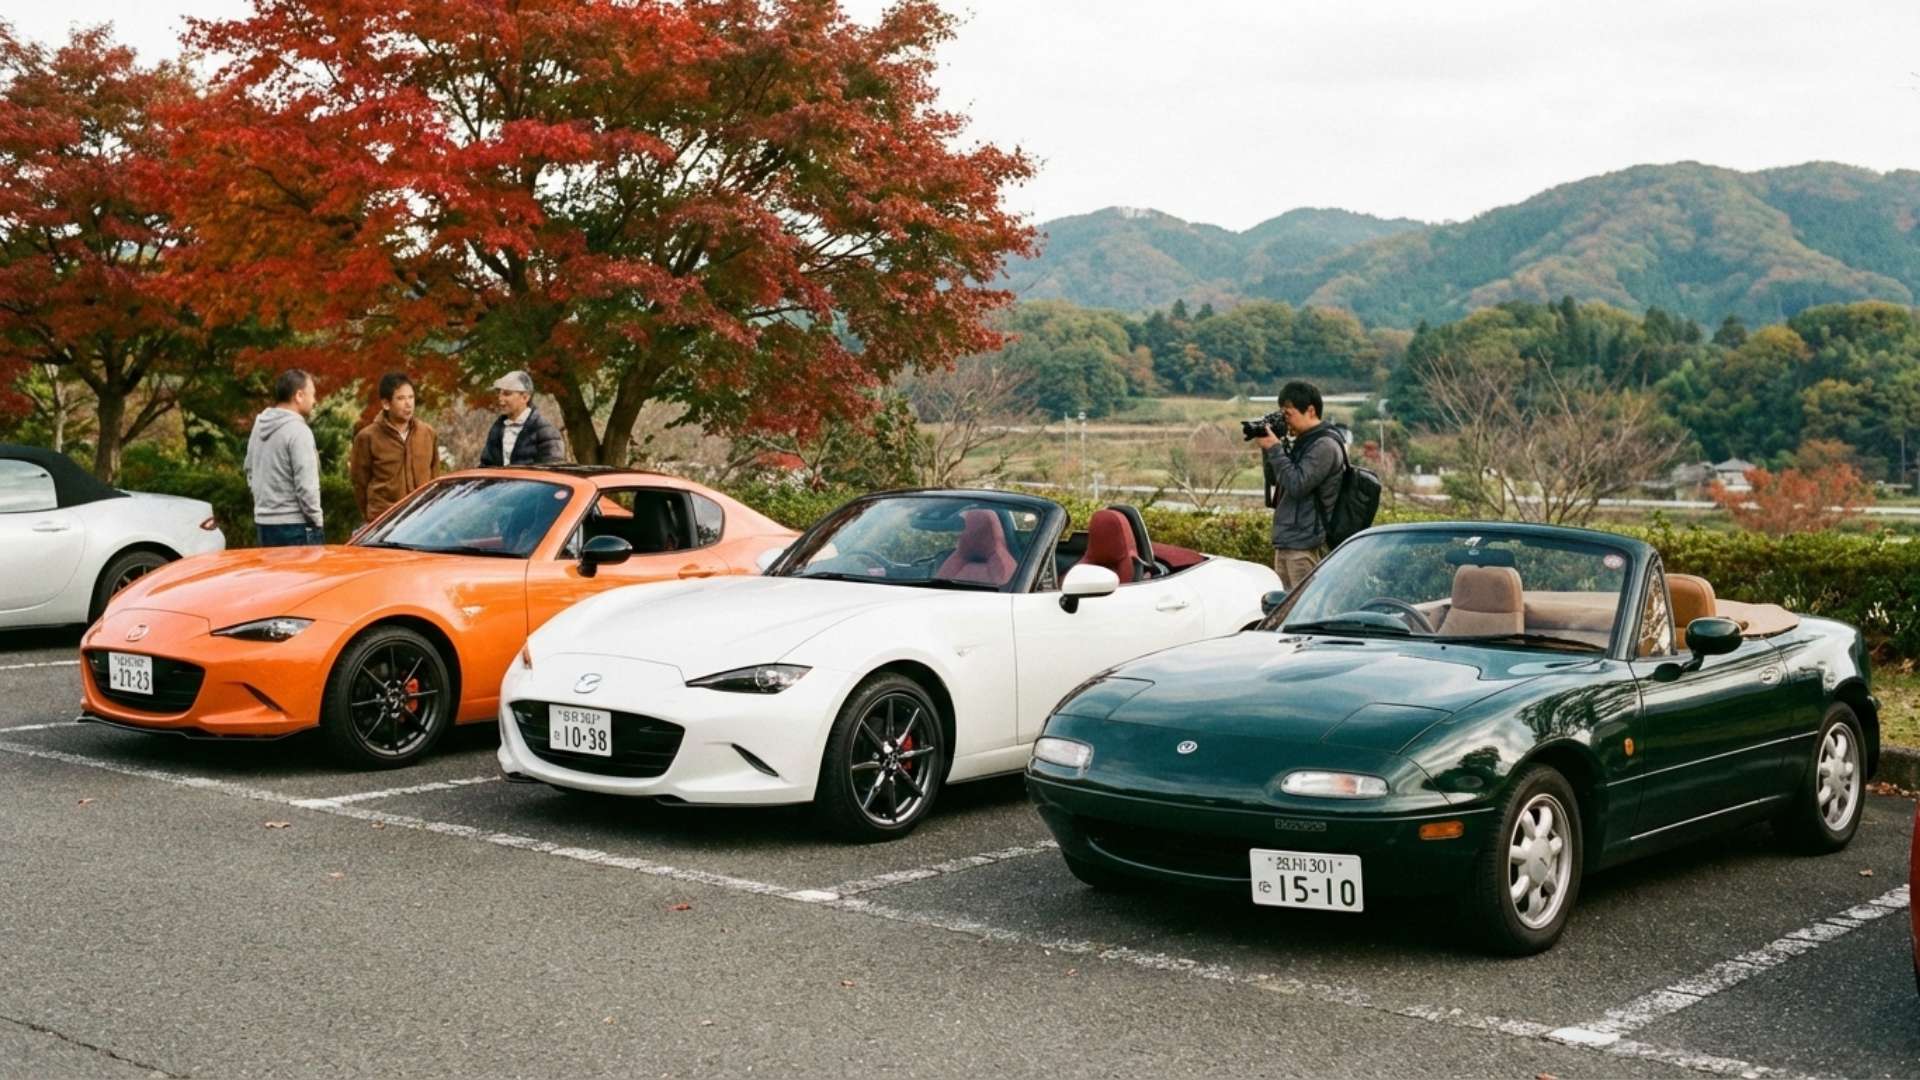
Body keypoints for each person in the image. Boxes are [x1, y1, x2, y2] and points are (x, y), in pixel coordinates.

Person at [1254, 380, 1344, 590]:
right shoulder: (1305, 442)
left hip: (1305, 544)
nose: (1286, 421)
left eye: (1288, 414)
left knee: (1303, 610)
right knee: (1285, 610)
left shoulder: (1325, 445)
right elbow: (1278, 480)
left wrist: (1276, 450)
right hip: (1288, 540)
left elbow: (1297, 484)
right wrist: (1269, 449)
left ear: (1310, 410)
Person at [245, 369, 324, 547]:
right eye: (313, 395)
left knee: (275, 576)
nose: (315, 401)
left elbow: (249, 470)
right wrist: (317, 521)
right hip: (295, 526)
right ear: (299, 395)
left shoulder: (258, 427)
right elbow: (306, 486)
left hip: (264, 523)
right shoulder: (299, 431)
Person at [349, 371, 439, 522]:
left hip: (422, 518)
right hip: (384, 520)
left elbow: (435, 475)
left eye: (411, 397)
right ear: (386, 404)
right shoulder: (368, 437)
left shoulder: (427, 433)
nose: (408, 404)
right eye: (401, 398)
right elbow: (360, 483)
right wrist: (370, 518)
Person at [479, 370, 566, 467]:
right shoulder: (497, 429)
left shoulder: (545, 432)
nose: (500, 398)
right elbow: (485, 466)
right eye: (499, 393)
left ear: (525, 397)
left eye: (507, 393)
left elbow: (551, 471)